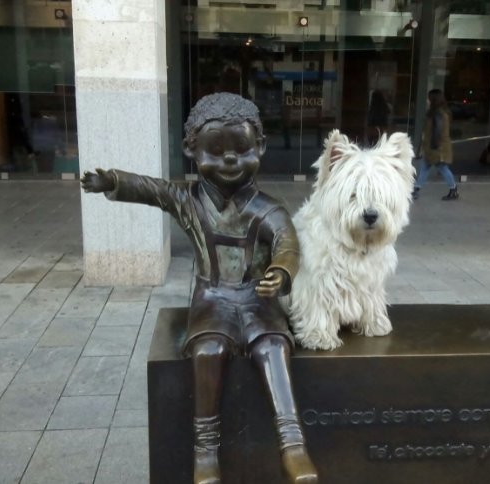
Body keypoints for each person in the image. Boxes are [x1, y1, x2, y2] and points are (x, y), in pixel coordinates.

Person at [80, 93, 319, 484]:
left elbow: (287, 243)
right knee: (209, 349)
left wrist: (281, 270)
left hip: (258, 300)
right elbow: (151, 189)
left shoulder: (269, 208)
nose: (230, 160)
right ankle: (205, 451)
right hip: (212, 299)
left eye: (242, 150)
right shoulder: (187, 200)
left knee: (273, 346)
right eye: (216, 151)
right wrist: (114, 181)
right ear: (191, 150)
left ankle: (293, 445)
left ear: (260, 147)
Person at [415, 88, 459, 200]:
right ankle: (416, 189)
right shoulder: (437, 113)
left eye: (428, 98)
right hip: (434, 147)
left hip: (437, 148)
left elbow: (436, 133)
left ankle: (453, 189)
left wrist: (432, 149)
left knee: (442, 168)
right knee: (425, 168)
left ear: (433, 99)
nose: (427, 100)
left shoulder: (438, 114)